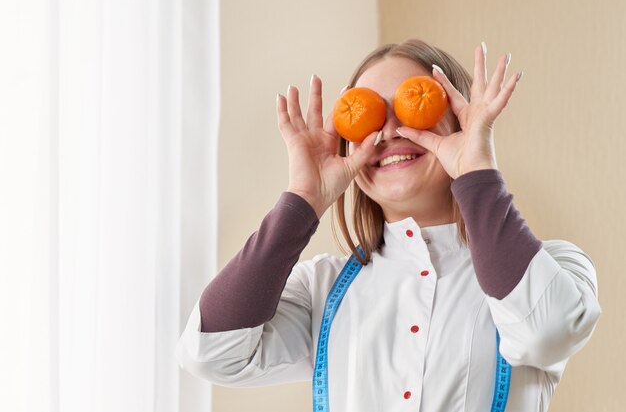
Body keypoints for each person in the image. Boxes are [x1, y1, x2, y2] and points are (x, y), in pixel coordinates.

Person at [175, 39, 601, 411]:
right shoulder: (322, 289)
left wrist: (476, 169)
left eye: (415, 105)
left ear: (461, 121)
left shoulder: (554, 267)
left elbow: (547, 333)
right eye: (369, 115)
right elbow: (210, 353)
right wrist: (303, 199)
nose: (390, 130)